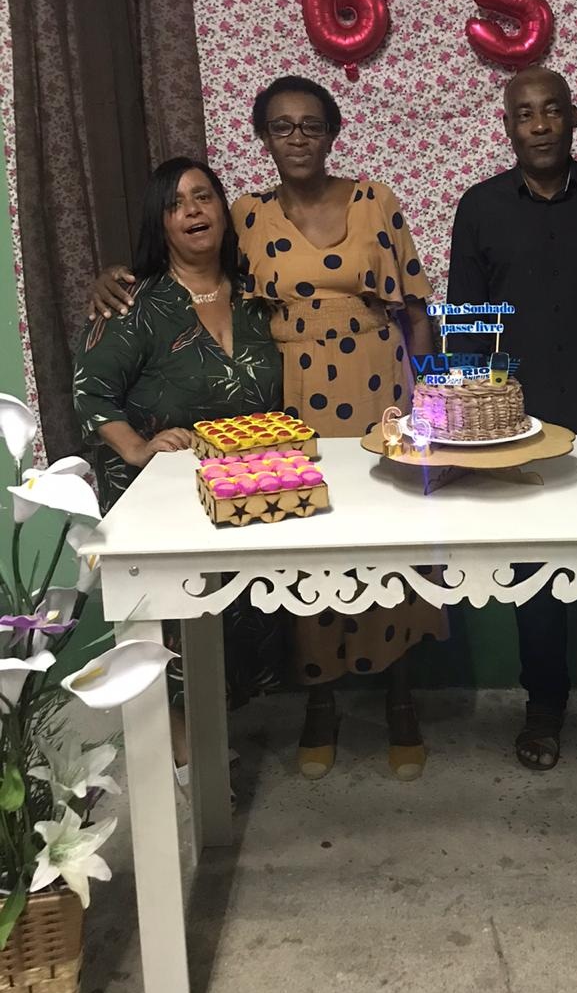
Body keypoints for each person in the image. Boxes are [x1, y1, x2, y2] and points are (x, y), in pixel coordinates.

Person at [89, 77, 447, 782]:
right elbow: (189, 263)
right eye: (282, 126)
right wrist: (113, 276)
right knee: (308, 548)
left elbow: (415, 308)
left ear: (333, 132)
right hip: (294, 403)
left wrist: (429, 402)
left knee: (395, 540)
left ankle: (402, 701)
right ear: (262, 138)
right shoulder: (245, 215)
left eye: (311, 124)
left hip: (382, 395)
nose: (298, 137)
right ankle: (321, 703)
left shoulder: (376, 200)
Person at [448, 66, 577, 772]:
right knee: (533, 576)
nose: (538, 125)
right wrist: (468, 426)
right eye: (524, 114)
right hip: (519, 429)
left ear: (573, 117)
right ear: (508, 127)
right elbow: (468, 326)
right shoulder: (480, 207)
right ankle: (543, 705)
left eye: (551, 111)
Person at [74, 158, 286, 785]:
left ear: (223, 209)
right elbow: (91, 393)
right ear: (160, 223)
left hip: (244, 488)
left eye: (203, 197)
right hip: (160, 495)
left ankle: (210, 721)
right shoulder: (135, 301)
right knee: (172, 619)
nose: (193, 210)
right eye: (175, 203)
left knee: (236, 619)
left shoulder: (255, 293)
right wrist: (137, 449)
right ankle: (183, 742)